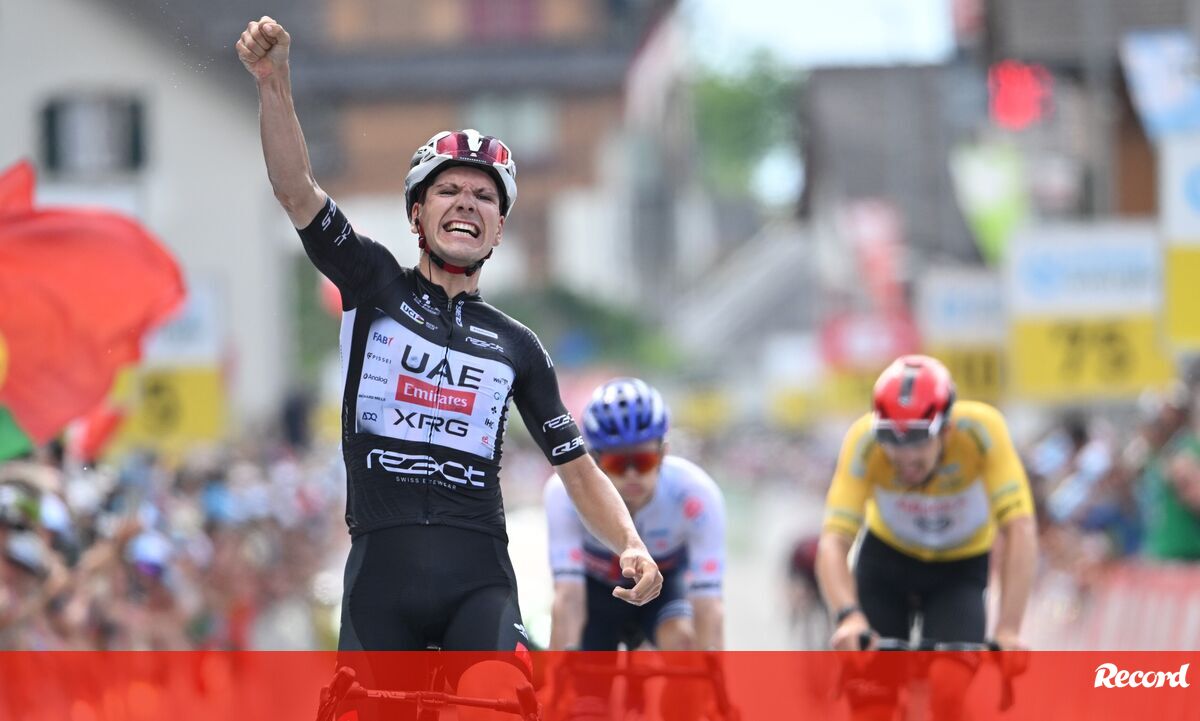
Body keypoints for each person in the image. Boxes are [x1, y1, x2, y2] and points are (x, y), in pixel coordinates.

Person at [235, 14, 662, 714]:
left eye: (484, 196)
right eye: (448, 190)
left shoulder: (518, 345)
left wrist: (631, 543)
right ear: (416, 214)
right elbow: (296, 189)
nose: (467, 202)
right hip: (382, 575)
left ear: (499, 227)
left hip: (477, 580)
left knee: (500, 702)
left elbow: (578, 468)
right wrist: (273, 82)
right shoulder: (372, 282)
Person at [815, 355, 1037, 721]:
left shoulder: (982, 431)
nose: (904, 456)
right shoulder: (863, 441)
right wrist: (848, 615)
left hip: (958, 571)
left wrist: (1009, 628)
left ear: (946, 430)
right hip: (886, 564)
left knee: (948, 692)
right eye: (890, 438)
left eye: (918, 439)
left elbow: (1020, 527)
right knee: (871, 709)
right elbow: (833, 540)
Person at [544, 378, 725, 720]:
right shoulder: (563, 493)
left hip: (664, 591)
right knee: (585, 707)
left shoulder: (697, 493)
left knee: (687, 656)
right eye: (617, 463)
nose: (631, 475)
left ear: (663, 453)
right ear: (594, 461)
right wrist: (554, 681)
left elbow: (708, 605)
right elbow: (567, 597)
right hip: (597, 596)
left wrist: (712, 688)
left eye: (642, 461)